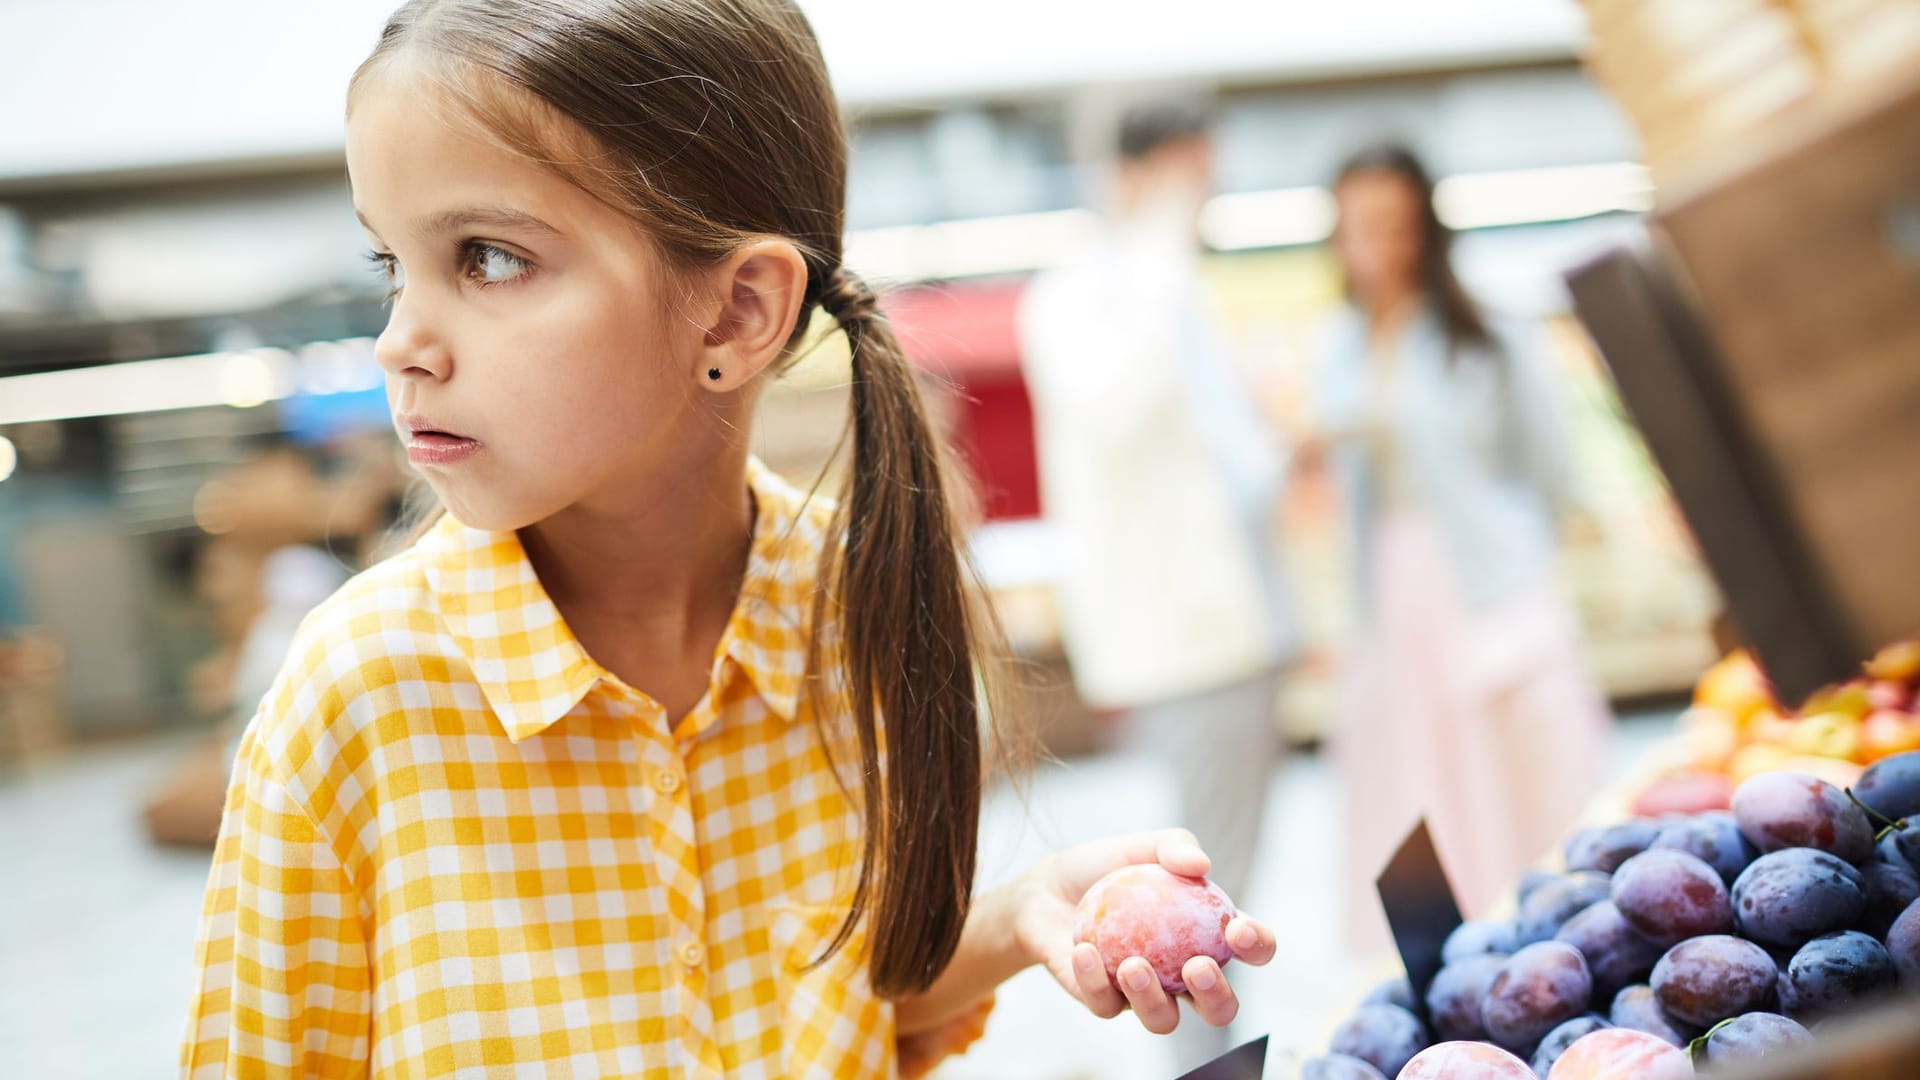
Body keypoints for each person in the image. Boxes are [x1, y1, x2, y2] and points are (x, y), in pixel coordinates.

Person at [179, 5, 1277, 1077]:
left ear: (738, 313)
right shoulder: (354, 702)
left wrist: (1013, 921)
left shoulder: (854, 613)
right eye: (391, 265)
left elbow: (836, 1009)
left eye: (489, 258)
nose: (399, 342)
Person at [1019, 99, 1297, 1069]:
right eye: (1189, 179)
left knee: (1228, 884)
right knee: (1197, 901)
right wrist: (1158, 239)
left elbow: (1228, 464)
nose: (1202, 203)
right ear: (1139, 175)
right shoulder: (1092, 292)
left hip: (1241, 630)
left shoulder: (1162, 287)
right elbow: (1122, 408)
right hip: (1192, 641)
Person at [1312, 141, 1612, 934]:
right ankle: (1456, 953)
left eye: (1391, 224)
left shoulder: (1484, 334)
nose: (1375, 244)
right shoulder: (1337, 344)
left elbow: (1549, 467)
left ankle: (1550, 931)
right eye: (1357, 226)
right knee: (1417, 781)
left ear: (1424, 228)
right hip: (1389, 587)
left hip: (1487, 577)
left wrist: (1525, 565)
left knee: (1518, 771)